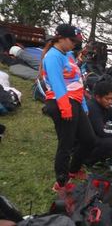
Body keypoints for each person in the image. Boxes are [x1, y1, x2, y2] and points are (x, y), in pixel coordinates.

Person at [40, 24, 96, 191]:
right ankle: (62, 183)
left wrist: (83, 104)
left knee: (88, 139)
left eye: (76, 41)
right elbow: (57, 84)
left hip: (75, 101)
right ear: (61, 38)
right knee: (66, 143)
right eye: (72, 40)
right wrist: (66, 108)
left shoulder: (68, 55)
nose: (75, 44)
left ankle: (73, 169)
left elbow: (77, 81)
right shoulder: (52, 57)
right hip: (61, 102)